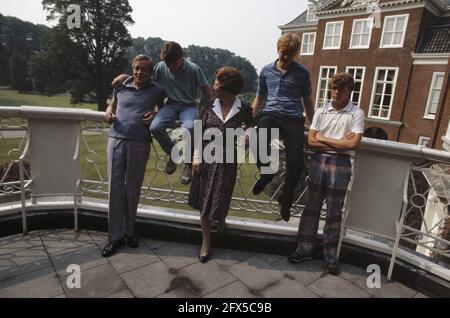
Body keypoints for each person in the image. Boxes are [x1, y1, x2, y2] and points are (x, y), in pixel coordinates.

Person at [288, 72, 365, 275]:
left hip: (340, 164)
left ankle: (330, 257)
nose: (336, 92)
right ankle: (304, 249)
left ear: (350, 91)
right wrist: (340, 143)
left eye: (341, 89)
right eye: (333, 88)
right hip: (319, 161)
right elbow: (311, 141)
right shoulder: (321, 111)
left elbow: (354, 144)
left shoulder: (356, 113)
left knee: (333, 212)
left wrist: (325, 139)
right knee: (311, 208)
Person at [112, 41, 212, 184]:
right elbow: (146, 80)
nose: (170, 67)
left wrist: (209, 112)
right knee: (155, 127)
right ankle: (174, 154)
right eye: (167, 63)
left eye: (173, 63)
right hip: (170, 105)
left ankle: (188, 163)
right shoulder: (160, 67)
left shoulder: (193, 69)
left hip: (189, 106)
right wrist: (125, 77)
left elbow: (207, 92)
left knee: (189, 128)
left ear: (181, 59)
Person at [188, 67, 255, 263]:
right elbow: (200, 131)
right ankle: (206, 241)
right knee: (204, 201)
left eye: (217, 82)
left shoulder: (243, 107)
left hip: (227, 161)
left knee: (221, 198)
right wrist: (196, 156)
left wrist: (249, 135)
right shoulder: (208, 104)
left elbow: (250, 125)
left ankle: (222, 220)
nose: (213, 85)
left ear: (227, 87)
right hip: (206, 160)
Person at [102, 55, 165, 257]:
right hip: (116, 139)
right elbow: (112, 103)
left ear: (150, 72)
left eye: (144, 70)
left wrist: (155, 114)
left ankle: (129, 232)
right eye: (136, 69)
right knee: (115, 189)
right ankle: (114, 237)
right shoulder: (120, 85)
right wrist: (108, 111)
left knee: (133, 189)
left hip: (140, 143)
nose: (139, 73)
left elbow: (161, 109)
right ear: (132, 68)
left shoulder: (157, 90)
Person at [251, 33, 314, 222]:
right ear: (277, 49)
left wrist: (314, 126)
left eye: (290, 54)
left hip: (294, 118)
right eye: (283, 52)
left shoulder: (302, 72)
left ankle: (286, 197)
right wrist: (249, 119)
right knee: (257, 140)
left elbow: (307, 101)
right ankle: (267, 172)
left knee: (296, 163)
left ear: (295, 54)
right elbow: (260, 97)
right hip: (271, 114)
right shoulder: (266, 71)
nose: (285, 57)